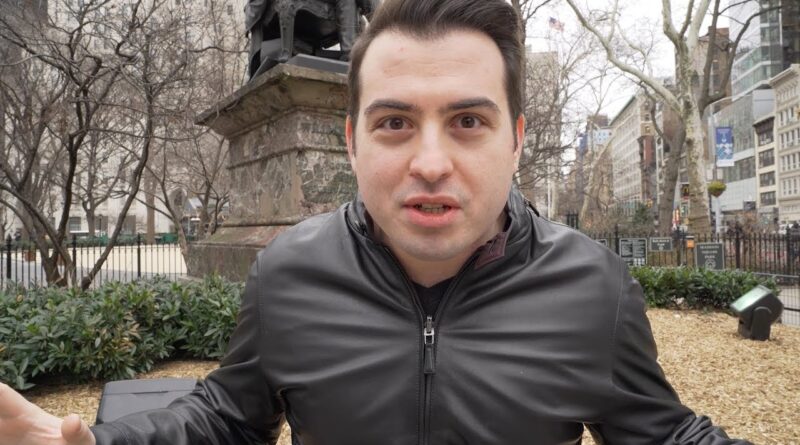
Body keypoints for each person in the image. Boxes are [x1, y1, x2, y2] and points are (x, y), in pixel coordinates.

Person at [0, 0, 751, 443]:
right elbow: (229, 415)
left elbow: (663, 432)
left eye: (467, 121)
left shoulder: (594, 288)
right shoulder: (288, 273)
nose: (430, 162)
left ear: (517, 140)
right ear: (353, 141)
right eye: (395, 123)